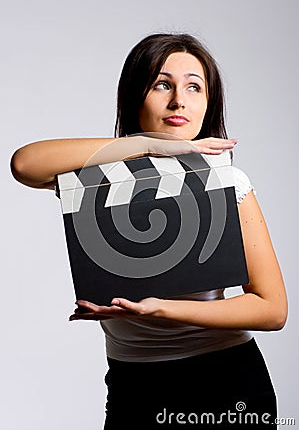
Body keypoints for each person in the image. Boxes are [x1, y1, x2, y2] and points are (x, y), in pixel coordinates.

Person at [11, 33, 288, 429]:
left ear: (209, 102)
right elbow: (25, 163)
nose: (179, 100)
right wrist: (147, 145)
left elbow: (271, 308)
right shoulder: (94, 181)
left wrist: (161, 308)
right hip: (132, 384)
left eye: (195, 86)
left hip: (225, 380)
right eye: (162, 84)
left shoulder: (226, 181)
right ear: (133, 95)